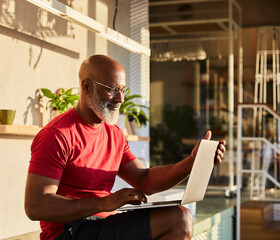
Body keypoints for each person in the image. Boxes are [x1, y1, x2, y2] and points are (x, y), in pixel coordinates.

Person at [25, 54, 226, 240]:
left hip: (101, 225)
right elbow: (36, 205)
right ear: (87, 87)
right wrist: (106, 203)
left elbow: (145, 179)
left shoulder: (114, 134)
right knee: (178, 220)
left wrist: (192, 162)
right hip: (69, 232)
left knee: (181, 217)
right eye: (112, 89)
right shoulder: (58, 134)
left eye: (122, 90)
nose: (120, 99)